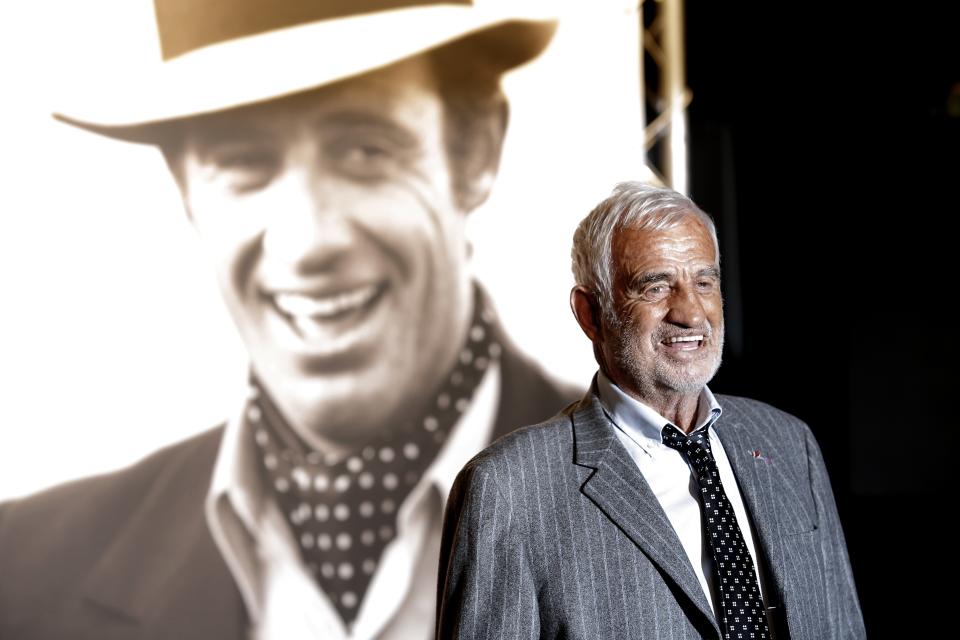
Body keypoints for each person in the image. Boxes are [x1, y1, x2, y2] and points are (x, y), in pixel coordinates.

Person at [0, 2, 577, 639]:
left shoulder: (670, 514)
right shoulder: (22, 574)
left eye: (364, 148)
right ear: (186, 189)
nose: (307, 241)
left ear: (475, 150)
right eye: (244, 161)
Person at [437, 182, 865, 639]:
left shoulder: (788, 442)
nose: (690, 312)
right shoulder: (509, 488)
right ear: (591, 314)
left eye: (704, 282)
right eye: (656, 286)